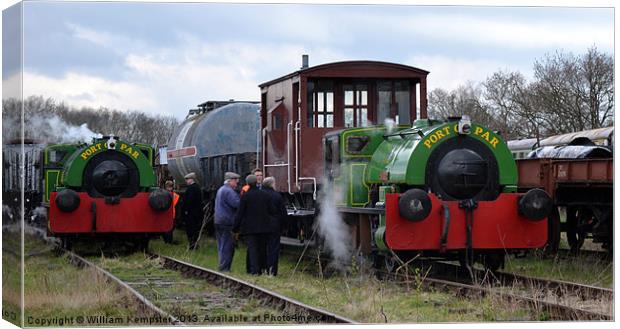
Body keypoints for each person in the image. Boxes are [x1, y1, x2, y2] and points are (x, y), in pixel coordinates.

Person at [234, 174, 274, 275]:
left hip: (250, 228)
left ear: (247, 184)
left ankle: (254, 270)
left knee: (252, 248)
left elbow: (240, 213)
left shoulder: (245, 196)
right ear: (257, 182)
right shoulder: (265, 195)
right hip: (264, 227)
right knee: (262, 248)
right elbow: (271, 210)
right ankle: (263, 269)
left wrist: (235, 227)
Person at [214, 172, 241, 272]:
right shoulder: (229, 192)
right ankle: (224, 268)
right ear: (230, 181)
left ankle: (222, 265)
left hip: (219, 220)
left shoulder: (221, 190)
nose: (237, 183)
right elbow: (237, 204)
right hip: (227, 221)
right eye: (235, 181)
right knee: (227, 245)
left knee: (221, 244)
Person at [262, 176, 287, 276]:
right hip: (274, 226)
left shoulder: (260, 195)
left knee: (263, 248)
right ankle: (272, 270)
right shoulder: (277, 196)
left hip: (262, 225)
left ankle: (263, 268)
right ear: (272, 184)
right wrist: (285, 226)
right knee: (274, 248)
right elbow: (283, 213)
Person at [181, 172, 203, 250]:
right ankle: (194, 244)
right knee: (195, 229)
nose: (186, 181)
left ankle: (192, 244)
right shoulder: (197, 188)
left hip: (191, 213)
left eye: (187, 179)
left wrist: (185, 210)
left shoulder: (191, 189)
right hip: (196, 213)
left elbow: (188, 201)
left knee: (190, 229)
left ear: (191, 179)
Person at [163, 180, 180, 244]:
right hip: (170, 215)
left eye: (170, 187)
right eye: (168, 187)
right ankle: (168, 241)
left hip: (170, 215)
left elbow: (177, 207)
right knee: (169, 229)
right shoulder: (175, 195)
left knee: (169, 229)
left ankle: (168, 241)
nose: (169, 188)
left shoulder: (164, 195)